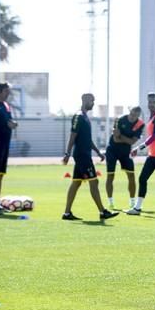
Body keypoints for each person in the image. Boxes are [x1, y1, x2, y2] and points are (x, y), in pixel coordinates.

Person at [61, 93, 119, 221]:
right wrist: (67, 153)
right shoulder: (78, 116)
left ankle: (66, 213)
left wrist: (98, 152)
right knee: (94, 181)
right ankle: (102, 211)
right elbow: (72, 135)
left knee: (76, 183)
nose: (93, 103)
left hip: (84, 155)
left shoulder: (85, 117)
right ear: (85, 100)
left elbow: (87, 139)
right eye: (92, 101)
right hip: (82, 156)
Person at [125, 93, 155, 215]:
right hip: (152, 156)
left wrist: (139, 147)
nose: (151, 104)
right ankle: (137, 208)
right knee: (142, 179)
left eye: (153, 102)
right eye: (149, 102)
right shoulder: (151, 118)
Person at [105, 106, 145, 209]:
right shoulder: (119, 119)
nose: (132, 117)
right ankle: (110, 202)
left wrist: (121, 137)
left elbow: (133, 142)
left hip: (125, 152)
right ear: (129, 111)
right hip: (112, 151)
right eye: (131, 114)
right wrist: (126, 139)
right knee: (110, 176)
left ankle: (132, 202)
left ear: (138, 115)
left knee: (131, 176)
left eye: (135, 115)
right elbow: (115, 139)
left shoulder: (140, 124)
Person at [0, 82, 18, 215]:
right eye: (5, 91)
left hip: (4, 146)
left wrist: (13, 124)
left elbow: (8, 121)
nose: (8, 93)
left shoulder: (6, 106)